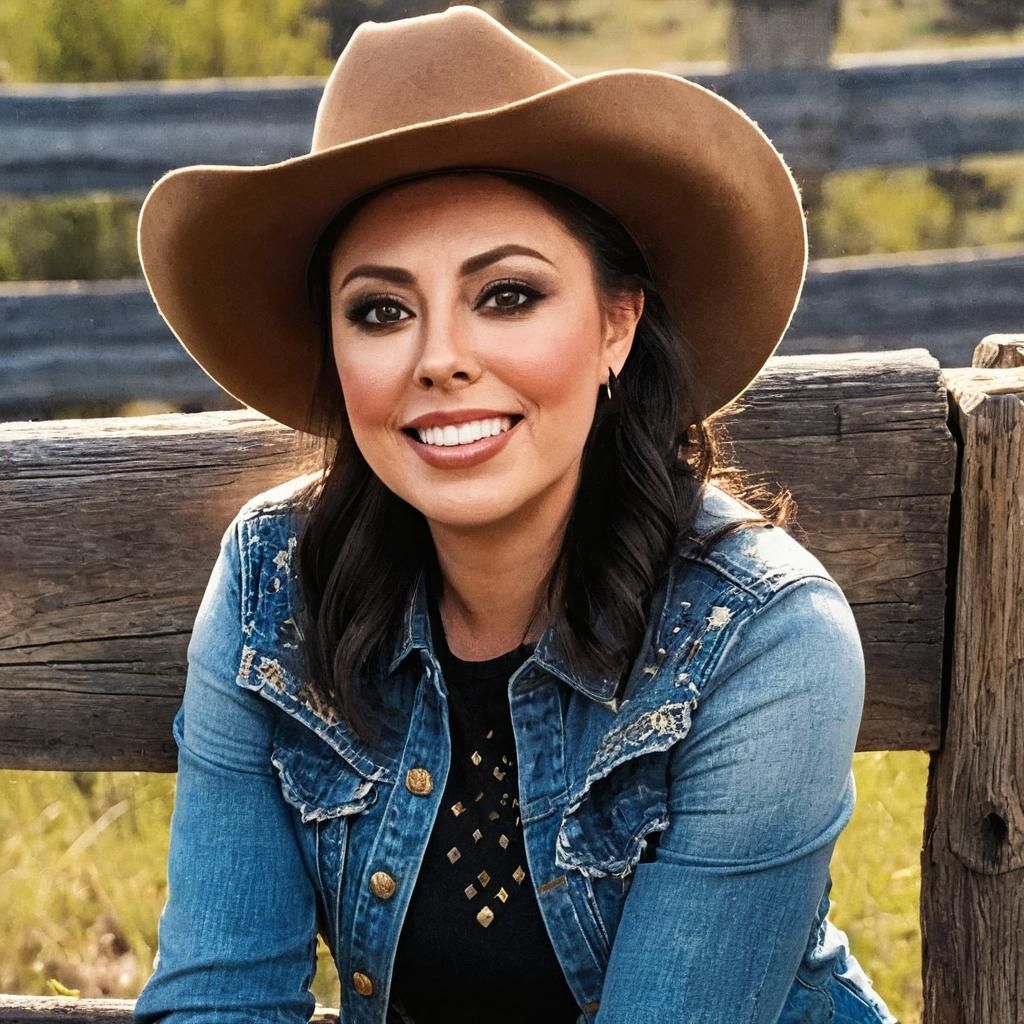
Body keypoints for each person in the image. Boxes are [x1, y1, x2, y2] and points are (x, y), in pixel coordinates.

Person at [132, 6, 899, 1023]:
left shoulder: (761, 642)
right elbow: (217, 998)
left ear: (616, 324)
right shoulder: (277, 580)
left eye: (505, 294)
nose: (439, 356)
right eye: (380, 309)